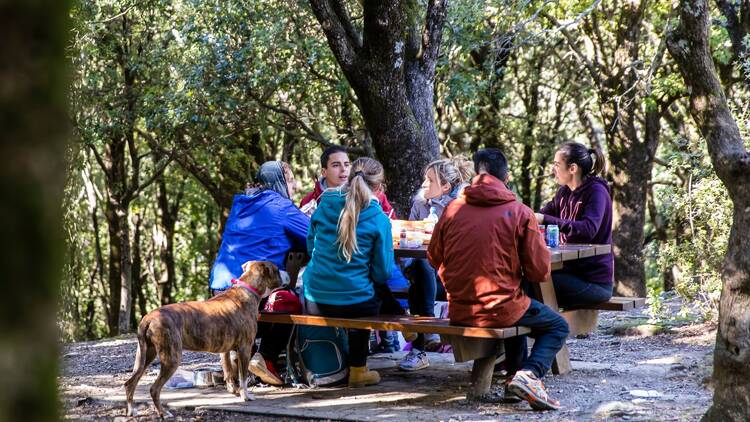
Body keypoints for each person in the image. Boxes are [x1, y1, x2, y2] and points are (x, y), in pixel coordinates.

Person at [428, 148, 569, 410]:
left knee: (518, 303)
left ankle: (513, 383)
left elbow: (433, 257)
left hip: (459, 309)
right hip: (500, 309)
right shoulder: (519, 212)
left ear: (476, 174)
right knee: (557, 325)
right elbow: (539, 272)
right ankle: (529, 375)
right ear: (505, 176)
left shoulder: (451, 209)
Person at [208, 161, 309, 386]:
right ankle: (267, 357)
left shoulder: (241, 204)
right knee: (290, 299)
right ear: (281, 182)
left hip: (219, 290)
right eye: (291, 181)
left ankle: (242, 351)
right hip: (247, 298)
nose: (293, 187)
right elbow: (314, 237)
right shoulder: (281, 206)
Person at [302, 157, 394, 388]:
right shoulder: (379, 218)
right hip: (356, 302)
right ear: (378, 187)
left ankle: (328, 365)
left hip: (314, 298)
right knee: (366, 295)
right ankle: (358, 369)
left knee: (356, 292)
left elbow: (310, 245)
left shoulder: (324, 203)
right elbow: (382, 273)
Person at [399, 156, 474, 371]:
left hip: (453, 277)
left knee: (419, 283)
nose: (424, 184)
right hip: (423, 272)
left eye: (429, 180)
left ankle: (419, 348)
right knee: (420, 273)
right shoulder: (420, 204)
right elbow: (410, 240)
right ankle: (427, 332)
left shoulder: (462, 206)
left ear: (445, 187)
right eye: (425, 179)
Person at [535, 142, 614, 309]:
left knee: (533, 286)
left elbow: (588, 229)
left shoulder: (596, 192)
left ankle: (550, 331)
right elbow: (543, 214)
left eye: (557, 165)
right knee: (529, 280)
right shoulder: (564, 192)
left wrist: (544, 219)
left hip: (594, 283)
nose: (552, 170)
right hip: (570, 273)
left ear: (572, 168)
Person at [300, 144, 394, 217]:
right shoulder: (309, 202)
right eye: (336, 165)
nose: (343, 169)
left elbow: (394, 228)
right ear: (324, 172)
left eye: (346, 164)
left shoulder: (375, 195)